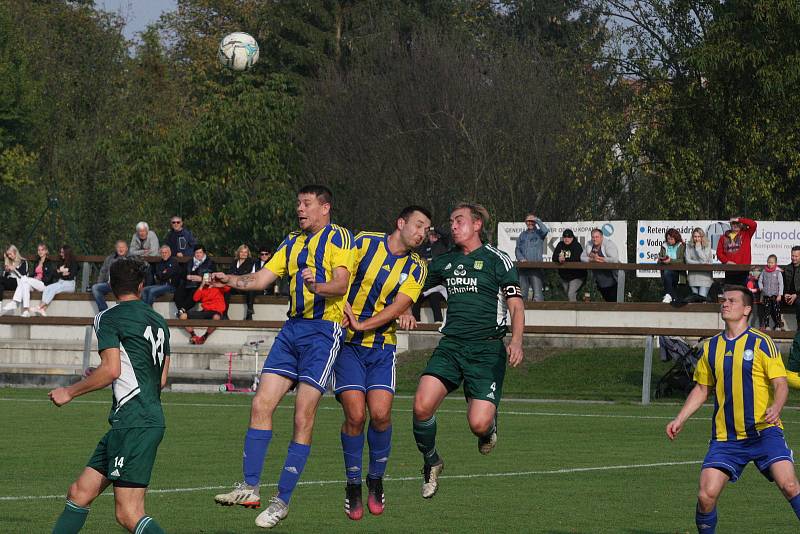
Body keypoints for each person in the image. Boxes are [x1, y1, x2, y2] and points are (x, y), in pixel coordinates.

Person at [211, 185, 354, 529]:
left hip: (323, 332)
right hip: (291, 330)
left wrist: (316, 285)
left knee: (303, 415)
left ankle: (282, 501)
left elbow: (340, 284)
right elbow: (261, 278)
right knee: (261, 404)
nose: (300, 209)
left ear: (325, 208)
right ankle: (249, 487)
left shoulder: (340, 239)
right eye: (298, 204)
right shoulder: (292, 241)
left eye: (307, 204)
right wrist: (229, 279)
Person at [48, 258, 170, 534]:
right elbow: (160, 378)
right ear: (142, 286)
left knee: (129, 513)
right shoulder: (159, 321)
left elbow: (111, 370)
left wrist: (69, 391)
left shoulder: (108, 317)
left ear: (111, 287)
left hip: (133, 421)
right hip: (140, 419)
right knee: (80, 492)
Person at [411, 202, 524, 499]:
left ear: (476, 225)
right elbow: (411, 287)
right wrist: (407, 308)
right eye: (451, 221)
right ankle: (432, 461)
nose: (453, 225)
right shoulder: (444, 262)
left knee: (478, 424)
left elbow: (515, 304)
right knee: (421, 406)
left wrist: (517, 340)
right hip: (451, 346)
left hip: (487, 351)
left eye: (459, 220)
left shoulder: (497, 259)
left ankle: (489, 427)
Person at [665, 285, 800, 533]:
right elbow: (702, 389)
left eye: (732, 300)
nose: (725, 304)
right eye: (723, 300)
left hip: (764, 431)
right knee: (706, 495)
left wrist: (776, 406)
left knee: (790, 485)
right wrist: (680, 418)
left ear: (747, 309)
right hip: (726, 438)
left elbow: (781, 384)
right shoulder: (712, 347)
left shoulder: (762, 342)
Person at [335, 206, 430, 519]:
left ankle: (375, 479)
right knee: (355, 415)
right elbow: (339, 276)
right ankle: (352, 484)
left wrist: (365, 324)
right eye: (418, 225)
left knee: (380, 414)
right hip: (347, 345)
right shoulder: (364, 243)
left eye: (426, 229)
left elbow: (401, 305)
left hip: (381, 347)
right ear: (400, 223)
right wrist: (344, 306)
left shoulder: (417, 267)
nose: (422, 233)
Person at [4, 243, 53, 317]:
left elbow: (49, 278)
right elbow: (33, 274)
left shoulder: (49, 263)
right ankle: (26, 311)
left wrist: (40, 278)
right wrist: (33, 278)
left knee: (24, 278)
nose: (40, 252)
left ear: (46, 251)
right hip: (35, 283)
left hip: (43, 285)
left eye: (42, 250)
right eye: (39, 250)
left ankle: (15, 302)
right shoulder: (37, 262)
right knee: (25, 284)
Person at [180, 274, 229, 344]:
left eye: (209, 277)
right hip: (205, 311)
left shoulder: (218, 287)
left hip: (216, 311)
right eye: (206, 278)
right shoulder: (203, 289)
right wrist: (202, 285)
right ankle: (193, 335)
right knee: (183, 316)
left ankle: (205, 337)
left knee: (216, 317)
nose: (208, 279)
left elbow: (227, 287)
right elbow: (195, 298)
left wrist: (215, 283)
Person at [412, 229, 448, 323]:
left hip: (439, 285)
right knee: (416, 297)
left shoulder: (442, 245)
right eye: (431, 235)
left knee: (434, 296)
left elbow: (446, 235)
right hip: (426, 284)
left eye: (435, 235)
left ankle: (438, 320)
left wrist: (434, 229)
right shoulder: (424, 247)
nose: (433, 237)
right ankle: (416, 320)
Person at [172, 244, 215, 317]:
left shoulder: (210, 263)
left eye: (200, 252)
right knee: (177, 295)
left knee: (194, 294)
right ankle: (182, 313)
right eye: (196, 253)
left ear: (204, 253)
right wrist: (187, 276)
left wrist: (201, 279)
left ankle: (182, 312)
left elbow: (212, 276)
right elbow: (181, 274)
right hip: (188, 284)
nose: (198, 254)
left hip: (201, 285)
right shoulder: (189, 262)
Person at [35, 245, 79, 316]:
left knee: (55, 289)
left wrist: (60, 272)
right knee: (48, 288)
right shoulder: (61, 262)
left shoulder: (73, 263)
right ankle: (43, 309)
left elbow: (71, 276)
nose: (61, 254)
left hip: (69, 284)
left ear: (67, 253)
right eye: (60, 252)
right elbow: (55, 274)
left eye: (62, 252)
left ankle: (40, 306)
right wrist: (62, 272)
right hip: (60, 282)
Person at [514, 213, 549, 301]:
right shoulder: (522, 235)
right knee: (522, 293)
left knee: (537, 294)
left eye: (531, 221)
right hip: (523, 268)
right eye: (528, 221)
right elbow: (517, 249)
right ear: (525, 222)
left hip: (535, 268)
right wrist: (521, 258)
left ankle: (539, 313)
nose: (530, 223)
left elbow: (545, 230)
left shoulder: (539, 233)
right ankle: (522, 313)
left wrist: (536, 219)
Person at [580, 228, 619, 302]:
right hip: (599, 282)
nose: (594, 239)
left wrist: (600, 259)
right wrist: (592, 260)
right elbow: (582, 257)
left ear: (602, 237)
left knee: (614, 303)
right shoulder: (589, 244)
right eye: (593, 237)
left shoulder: (609, 244)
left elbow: (614, 259)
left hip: (613, 281)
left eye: (597, 237)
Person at [717, 217, 757, 286]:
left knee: (742, 293)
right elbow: (719, 253)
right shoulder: (723, 237)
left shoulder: (746, 234)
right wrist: (727, 261)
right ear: (730, 225)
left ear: (741, 224)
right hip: (730, 270)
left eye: (737, 223)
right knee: (729, 292)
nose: (735, 225)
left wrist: (739, 219)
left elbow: (754, 224)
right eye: (733, 223)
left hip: (743, 270)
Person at [92, 240, 129, 312]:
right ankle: (104, 312)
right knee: (95, 287)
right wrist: (99, 283)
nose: (121, 249)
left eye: (122, 247)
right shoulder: (109, 258)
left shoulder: (131, 258)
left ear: (126, 249)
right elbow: (103, 272)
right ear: (116, 248)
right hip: (109, 285)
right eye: (119, 247)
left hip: (124, 285)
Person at [551, 229, 585, 302]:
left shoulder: (577, 245)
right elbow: (554, 257)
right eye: (565, 237)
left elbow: (577, 258)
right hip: (564, 276)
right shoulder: (560, 244)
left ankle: (573, 312)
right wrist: (558, 259)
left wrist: (564, 259)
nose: (566, 239)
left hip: (577, 276)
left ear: (572, 238)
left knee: (571, 294)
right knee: (569, 295)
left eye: (569, 237)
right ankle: (577, 309)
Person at [226, 244, 256, 320]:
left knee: (251, 289)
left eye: (245, 252)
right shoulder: (234, 262)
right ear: (238, 253)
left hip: (244, 285)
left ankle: (249, 313)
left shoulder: (251, 262)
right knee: (225, 290)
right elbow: (230, 274)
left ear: (248, 254)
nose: (243, 254)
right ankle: (224, 313)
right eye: (241, 252)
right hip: (234, 285)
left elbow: (251, 275)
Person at [657, 229, 686, 304]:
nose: (669, 240)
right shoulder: (664, 245)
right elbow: (660, 259)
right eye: (668, 239)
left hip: (678, 272)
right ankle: (669, 295)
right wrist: (661, 260)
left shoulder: (681, 245)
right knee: (667, 272)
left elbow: (683, 261)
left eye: (671, 239)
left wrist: (670, 261)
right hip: (667, 272)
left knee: (668, 272)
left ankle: (669, 295)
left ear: (676, 238)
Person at [685, 227, 713, 299]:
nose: (696, 239)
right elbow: (688, 261)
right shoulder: (689, 245)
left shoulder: (707, 245)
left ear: (702, 237)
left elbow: (705, 259)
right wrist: (700, 263)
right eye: (695, 236)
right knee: (694, 300)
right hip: (693, 277)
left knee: (702, 298)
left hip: (705, 277)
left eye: (698, 237)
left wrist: (698, 249)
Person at [759, 254, 784, 330]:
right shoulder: (764, 271)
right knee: (766, 311)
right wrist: (761, 288)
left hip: (775, 295)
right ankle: (767, 325)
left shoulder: (778, 272)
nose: (770, 264)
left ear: (775, 263)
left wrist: (780, 295)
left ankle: (778, 325)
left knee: (776, 311)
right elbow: (760, 281)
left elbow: (781, 284)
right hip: (766, 295)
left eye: (772, 262)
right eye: (769, 262)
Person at [782, 246, 800, 328]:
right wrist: (784, 294)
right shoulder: (787, 268)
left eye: (796, 256)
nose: (794, 258)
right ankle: (778, 325)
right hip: (787, 295)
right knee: (772, 300)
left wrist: (796, 295)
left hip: (798, 296)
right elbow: (782, 283)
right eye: (792, 256)